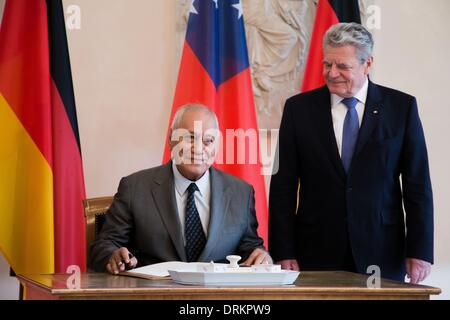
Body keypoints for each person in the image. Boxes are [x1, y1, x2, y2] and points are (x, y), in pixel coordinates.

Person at [269, 23, 433, 283]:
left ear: (367, 64)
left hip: (382, 250)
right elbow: (282, 187)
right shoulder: (298, 110)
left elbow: (418, 185)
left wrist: (420, 250)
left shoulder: (401, 108)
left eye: (342, 66)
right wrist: (283, 251)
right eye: (327, 65)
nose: (332, 73)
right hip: (314, 251)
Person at [90, 103, 271, 274]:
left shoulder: (240, 193)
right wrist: (113, 256)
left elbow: (250, 248)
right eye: (189, 138)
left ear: (217, 146)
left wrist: (261, 256)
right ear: (171, 140)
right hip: (155, 294)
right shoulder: (135, 188)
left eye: (208, 140)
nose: (198, 148)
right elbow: (105, 245)